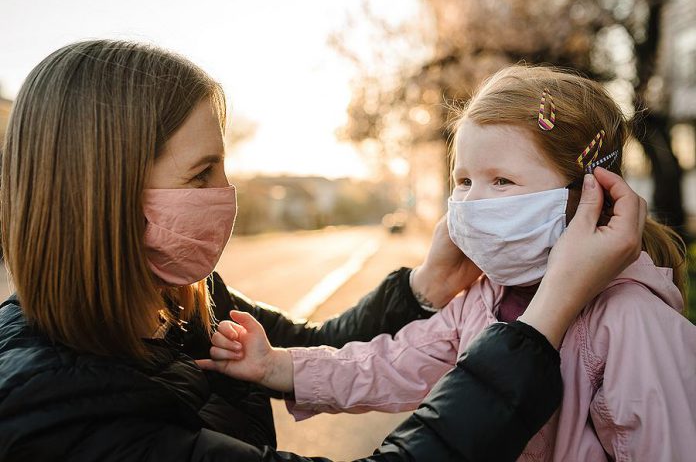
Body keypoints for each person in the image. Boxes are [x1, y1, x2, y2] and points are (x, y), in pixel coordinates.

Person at [0, 41, 644, 462]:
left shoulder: (179, 298)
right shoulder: (55, 416)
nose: (226, 196)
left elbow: (325, 347)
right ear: (103, 193)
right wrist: (550, 310)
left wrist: (427, 283)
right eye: (200, 175)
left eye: (224, 168)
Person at [203, 66, 696, 461]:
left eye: (501, 181)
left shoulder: (632, 318)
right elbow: (388, 363)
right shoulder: (481, 299)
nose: (474, 202)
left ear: (589, 193)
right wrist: (278, 365)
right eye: (464, 181)